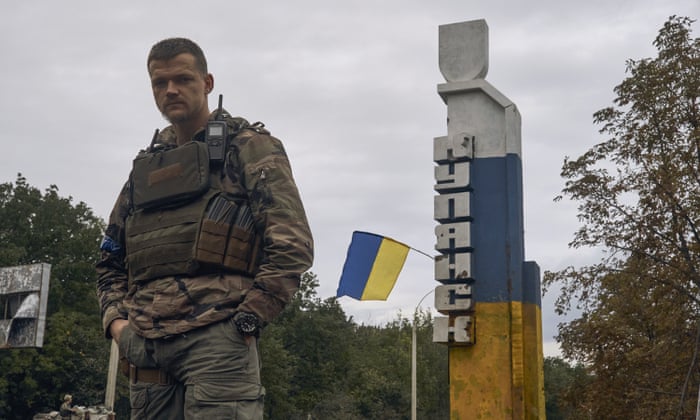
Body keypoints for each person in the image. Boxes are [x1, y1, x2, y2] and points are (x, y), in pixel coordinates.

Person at [96, 37, 314, 419]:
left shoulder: (249, 147)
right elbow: (109, 259)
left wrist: (247, 319)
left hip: (217, 341)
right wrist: (118, 325)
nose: (170, 90)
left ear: (207, 82)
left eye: (182, 79)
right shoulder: (148, 166)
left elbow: (291, 245)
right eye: (159, 83)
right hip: (146, 346)